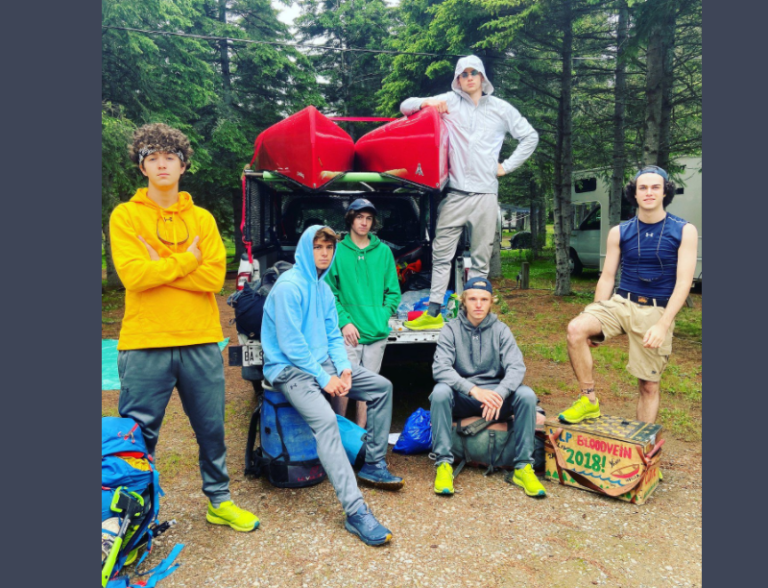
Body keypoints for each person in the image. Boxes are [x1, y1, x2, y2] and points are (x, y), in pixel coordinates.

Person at [110, 123, 259, 533]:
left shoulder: (203, 219)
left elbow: (214, 280)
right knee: (138, 439)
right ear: (142, 166)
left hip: (200, 338)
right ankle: (133, 516)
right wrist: (185, 260)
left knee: (212, 430)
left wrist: (158, 263)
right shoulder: (125, 216)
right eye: (152, 157)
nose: (161, 164)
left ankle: (220, 501)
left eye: (169, 157)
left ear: (183, 165)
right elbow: (133, 277)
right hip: (145, 342)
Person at [261, 225, 404, 546]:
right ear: (304, 250)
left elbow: (331, 335)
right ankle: (356, 513)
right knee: (326, 423)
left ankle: (373, 464)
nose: (324, 253)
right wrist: (325, 378)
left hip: (321, 363)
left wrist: (343, 368)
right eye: (317, 247)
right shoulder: (289, 287)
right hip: (288, 370)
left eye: (329, 247)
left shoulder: (323, 289)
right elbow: (291, 343)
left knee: (381, 387)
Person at [400, 55, 538, 330]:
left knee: (480, 258)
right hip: (455, 194)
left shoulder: (500, 108)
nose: (469, 77)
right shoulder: (449, 102)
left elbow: (530, 136)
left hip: (486, 196)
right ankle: (434, 311)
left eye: (474, 72)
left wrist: (506, 166)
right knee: (441, 254)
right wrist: (427, 103)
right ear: (458, 79)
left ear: (483, 76)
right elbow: (405, 106)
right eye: (463, 74)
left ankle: (475, 315)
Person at [559, 165, 699, 425]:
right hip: (621, 302)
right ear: (634, 194)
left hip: (657, 309)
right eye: (642, 188)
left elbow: (684, 283)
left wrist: (663, 324)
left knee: (648, 386)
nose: (648, 192)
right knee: (577, 328)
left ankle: (643, 451)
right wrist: (596, 313)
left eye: (655, 187)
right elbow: (608, 276)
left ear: (664, 192)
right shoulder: (619, 232)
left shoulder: (684, 230)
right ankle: (588, 400)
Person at [429, 277, 546, 498]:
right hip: (465, 397)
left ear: (492, 302)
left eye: (484, 299)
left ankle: (523, 467)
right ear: (464, 301)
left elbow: (516, 367)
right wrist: (473, 390)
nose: (478, 305)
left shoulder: (501, 330)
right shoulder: (450, 330)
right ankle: (444, 464)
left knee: (526, 395)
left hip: (495, 399)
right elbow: (440, 369)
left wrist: (499, 394)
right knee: (440, 392)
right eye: (473, 299)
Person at [325, 199, 401, 428]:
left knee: (367, 388)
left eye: (368, 218)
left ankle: (360, 438)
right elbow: (329, 293)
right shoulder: (337, 251)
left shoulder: (384, 251)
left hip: (376, 332)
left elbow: (394, 293)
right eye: (359, 217)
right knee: (342, 384)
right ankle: (337, 433)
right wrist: (344, 322)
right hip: (348, 332)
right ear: (350, 218)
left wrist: (381, 316)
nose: (364, 222)